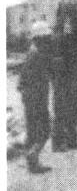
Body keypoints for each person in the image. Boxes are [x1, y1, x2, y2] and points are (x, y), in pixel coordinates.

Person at [18, 20, 54, 174]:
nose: (48, 41)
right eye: (46, 38)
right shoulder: (37, 55)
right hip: (36, 98)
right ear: (40, 39)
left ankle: (32, 161)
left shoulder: (33, 52)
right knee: (43, 130)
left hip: (32, 97)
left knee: (33, 130)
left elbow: (22, 82)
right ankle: (32, 158)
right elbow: (34, 80)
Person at [52, 17, 77, 151]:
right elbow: (57, 63)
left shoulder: (71, 39)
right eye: (67, 24)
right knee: (61, 111)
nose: (69, 26)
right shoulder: (58, 40)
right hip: (63, 81)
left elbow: (75, 58)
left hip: (72, 79)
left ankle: (71, 141)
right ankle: (58, 143)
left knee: (74, 109)